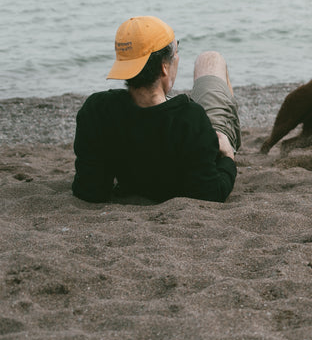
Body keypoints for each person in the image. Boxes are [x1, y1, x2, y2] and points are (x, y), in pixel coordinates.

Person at [72, 16, 241, 203]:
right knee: (210, 59)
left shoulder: (97, 110)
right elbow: (211, 193)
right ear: (164, 66)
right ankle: (230, 138)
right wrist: (227, 157)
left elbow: (88, 189)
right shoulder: (190, 119)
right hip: (203, 137)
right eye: (176, 51)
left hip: (152, 140)